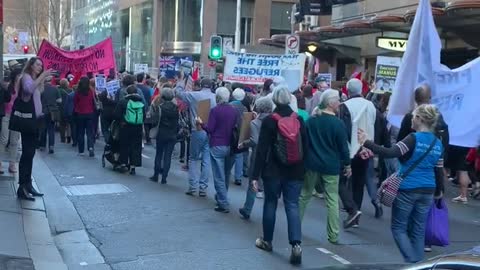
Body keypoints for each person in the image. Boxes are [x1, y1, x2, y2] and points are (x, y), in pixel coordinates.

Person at [358, 104, 444, 263]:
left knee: (398, 228)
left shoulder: (413, 139)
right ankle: (419, 265)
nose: (411, 119)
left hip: (408, 188)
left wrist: (367, 142)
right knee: (418, 231)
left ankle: (412, 262)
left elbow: (391, 152)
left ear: (420, 119)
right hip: (428, 190)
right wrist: (440, 191)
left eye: (413, 116)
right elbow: (439, 170)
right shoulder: (437, 143)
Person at [251, 85, 307, 265]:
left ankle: (267, 240)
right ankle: (296, 245)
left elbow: (262, 150)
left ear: (274, 100)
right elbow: (306, 148)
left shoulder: (269, 121)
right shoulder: (299, 119)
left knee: (270, 203)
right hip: (295, 170)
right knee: (292, 205)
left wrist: (254, 175)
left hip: (273, 171)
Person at [299, 89, 351, 244]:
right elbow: (343, 147)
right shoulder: (338, 124)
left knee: (304, 195)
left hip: (312, 163)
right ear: (331, 103)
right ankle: (333, 235)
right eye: (338, 100)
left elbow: (304, 142)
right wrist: (347, 164)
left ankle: (295, 226)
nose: (340, 103)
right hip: (331, 165)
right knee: (332, 200)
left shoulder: (312, 120)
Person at [337, 78, 376, 228]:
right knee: (359, 182)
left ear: (347, 90)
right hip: (366, 148)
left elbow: (344, 130)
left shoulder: (344, 106)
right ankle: (356, 213)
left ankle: (351, 209)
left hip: (350, 148)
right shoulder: (371, 105)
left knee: (343, 180)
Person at [196, 87, 238, 213]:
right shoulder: (234, 111)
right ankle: (222, 197)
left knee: (218, 176)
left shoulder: (215, 110)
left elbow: (210, 129)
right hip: (230, 144)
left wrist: (201, 123)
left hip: (217, 144)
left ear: (217, 97)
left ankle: (223, 203)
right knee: (225, 174)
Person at [17, 57, 53, 201]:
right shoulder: (25, 77)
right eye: (38, 64)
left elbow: (38, 91)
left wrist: (42, 79)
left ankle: (28, 184)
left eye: (41, 65)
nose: (40, 67)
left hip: (35, 120)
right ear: (31, 65)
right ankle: (22, 187)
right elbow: (28, 89)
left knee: (31, 154)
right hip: (27, 120)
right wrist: (42, 76)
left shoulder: (33, 79)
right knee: (27, 153)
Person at [176, 78, 216, 197]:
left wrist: (180, 83)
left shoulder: (194, 95)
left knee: (193, 159)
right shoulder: (215, 97)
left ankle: (193, 186)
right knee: (206, 159)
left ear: (200, 85)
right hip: (210, 131)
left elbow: (178, 93)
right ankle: (203, 188)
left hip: (197, 129)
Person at [238, 96, 272, 220]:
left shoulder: (255, 122)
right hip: (272, 156)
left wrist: (244, 143)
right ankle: (269, 211)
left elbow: (254, 140)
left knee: (253, 181)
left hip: (258, 155)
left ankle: (247, 209)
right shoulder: (275, 120)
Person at [150, 88, 179, 184]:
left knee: (159, 154)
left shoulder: (160, 107)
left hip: (162, 133)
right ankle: (164, 178)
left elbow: (154, 120)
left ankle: (156, 175)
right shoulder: (176, 108)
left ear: (163, 96)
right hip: (172, 134)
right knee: (168, 156)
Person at [114, 85, 145, 175]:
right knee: (135, 146)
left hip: (125, 126)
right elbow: (143, 115)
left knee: (124, 145)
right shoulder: (141, 102)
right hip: (137, 127)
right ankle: (133, 166)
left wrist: (121, 121)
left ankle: (123, 163)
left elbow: (116, 114)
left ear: (126, 92)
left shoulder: (123, 101)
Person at [0, 68, 20, 173]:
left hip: (17, 116)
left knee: (14, 141)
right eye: (18, 75)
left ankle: (12, 164)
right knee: (3, 139)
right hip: (7, 115)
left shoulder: (22, 88)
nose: (20, 77)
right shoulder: (8, 86)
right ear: (15, 76)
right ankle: (0, 163)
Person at [73, 77, 96, 157]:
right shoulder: (91, 92)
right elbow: (93, 102)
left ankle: (81, 150)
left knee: (80, 133)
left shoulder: (78, 92)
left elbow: (75, 103)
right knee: (90, 132)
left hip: (80, 114)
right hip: (90, 113)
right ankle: (90, 147)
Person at [39, 76, 62, 153]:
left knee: (43, 129)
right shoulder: (55, 89)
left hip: (43, 111)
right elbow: (59, 100)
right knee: (51, 130)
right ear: (51, 81)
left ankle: (42, 145)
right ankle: (51, 146)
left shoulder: (41, 89)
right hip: (52, 111)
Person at [230, 88, 247, 186]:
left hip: (232, 133)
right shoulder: (244, 108)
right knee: (239, 155)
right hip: (241, 133)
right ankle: (238, 177)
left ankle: (227, 172)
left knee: (231, 154)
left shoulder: (230, 106)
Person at [136, 73, 153, 144]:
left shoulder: (134, 87)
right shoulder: (147, 89)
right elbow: (149, 100)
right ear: (143, 79)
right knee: (146, 124)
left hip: (135, 108)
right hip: (144, 108)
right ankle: (148, 139)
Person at [58, 79, 73, 144]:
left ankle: (62, 138)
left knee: (62, 125)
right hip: (69, 109)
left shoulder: (59, 90)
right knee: (69, 124)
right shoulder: (70, 90)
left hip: (61, 109)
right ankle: (69, 137)